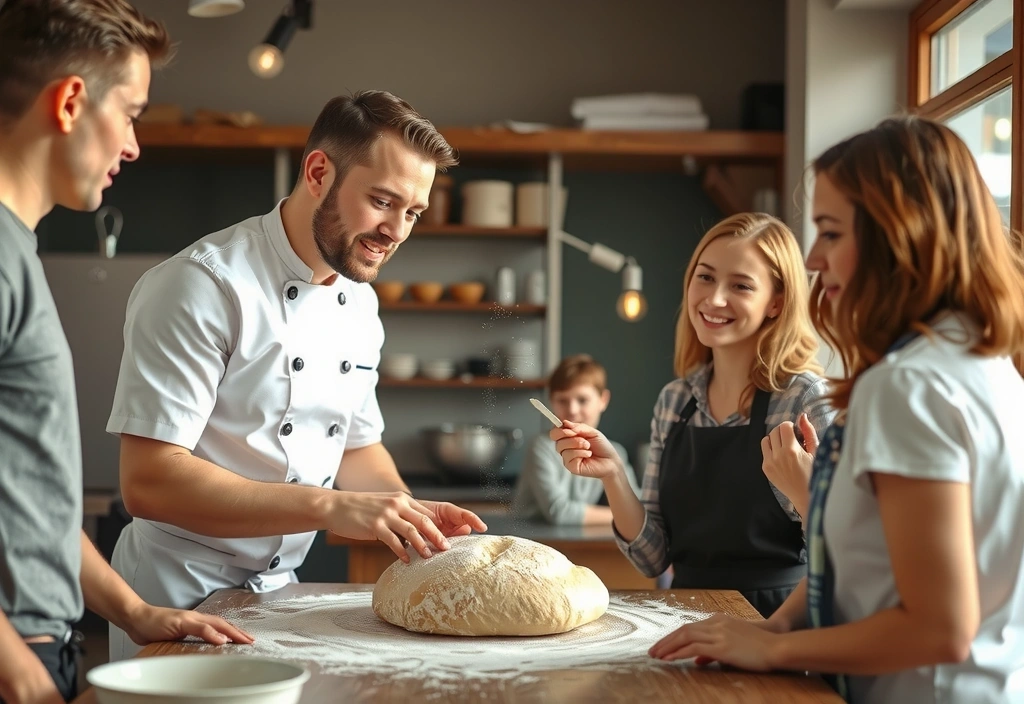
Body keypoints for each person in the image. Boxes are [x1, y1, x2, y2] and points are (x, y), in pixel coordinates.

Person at [648, 117, 1024, 704]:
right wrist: (772, 626)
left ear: (899, 234)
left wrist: (774, 649)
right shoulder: (984, 363)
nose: (815, 259)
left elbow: (940, 628)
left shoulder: (909, 387)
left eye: (829, 232)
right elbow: (864, 560)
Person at [105, 89, 489, 660]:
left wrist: (410, 519)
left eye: (412, 212)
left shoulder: (359, 305)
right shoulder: (202, 286)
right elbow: (149, 481)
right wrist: (330, 507)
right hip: (174, 598)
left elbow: (358, 447)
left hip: (280, 600)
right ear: (317, 172)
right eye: (382, 201)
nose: (397, 231)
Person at [0, 2, 253, 701]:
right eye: (132, 111)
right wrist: (16, 671)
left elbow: (28, 497)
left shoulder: (19, 249)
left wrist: (137, 613)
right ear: (71, 101)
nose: (135, 145)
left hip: (39, 642)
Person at [551, 212, 835, 618]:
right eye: (705, 277)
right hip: (684, 619)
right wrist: (613, 474)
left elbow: (839, 551)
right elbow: (653, 559)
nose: (714, 298)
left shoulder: (803, 400)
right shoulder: (675, 401)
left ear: (776, 301)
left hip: (778, 623)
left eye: (740, 285)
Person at [512, 354, 641, 525]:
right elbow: (559, 512)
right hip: (533, 542)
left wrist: (630, 513)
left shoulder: (614, 452)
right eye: (562, 400)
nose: (572, 410)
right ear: (551, 401)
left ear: (603, 400)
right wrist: (624, 515)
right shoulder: (541, 447)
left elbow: (638, 505)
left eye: (582, 400)